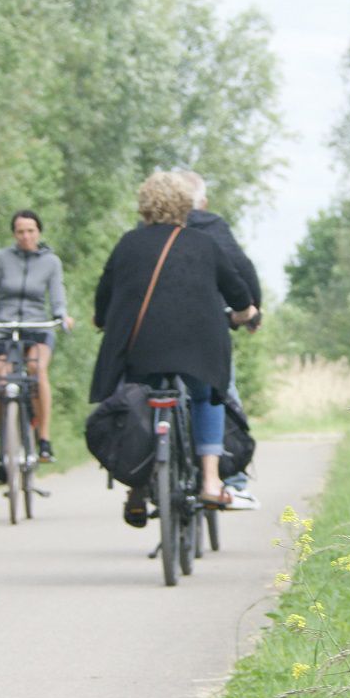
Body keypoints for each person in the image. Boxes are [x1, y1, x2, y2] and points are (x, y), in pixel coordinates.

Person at [91, 171, 260, 525]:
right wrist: (246, 313)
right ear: (187, 205)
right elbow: (237, 290)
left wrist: (103, 320)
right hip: (198, 348)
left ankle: (136, 488)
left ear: (144, 206)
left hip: (141, 348)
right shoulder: (204, 243)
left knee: (136, 403)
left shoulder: (128, 243)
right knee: (206, 396)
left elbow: (104, 296)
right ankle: (212, 480)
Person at [0, 210, 74, 480]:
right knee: (1, 381)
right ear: (14, 234)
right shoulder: (0, 259)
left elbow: (57, 296)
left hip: (37, 326)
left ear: (39, 232)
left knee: (37, 370)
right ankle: (4, 447)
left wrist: (62, 316)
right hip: (4, 326)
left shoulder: (51, 262)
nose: (26, 236)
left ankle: (44, 439)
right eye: (20, 231)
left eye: (31, 230)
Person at [178, 170, 262, 499]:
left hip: (155, 332)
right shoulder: (212, 226)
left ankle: (146, 480)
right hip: (207, 325)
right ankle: (234, 479)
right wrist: (253, 310)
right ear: (204, 201)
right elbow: (241, 268)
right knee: (220, 390)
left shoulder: (148, 230)